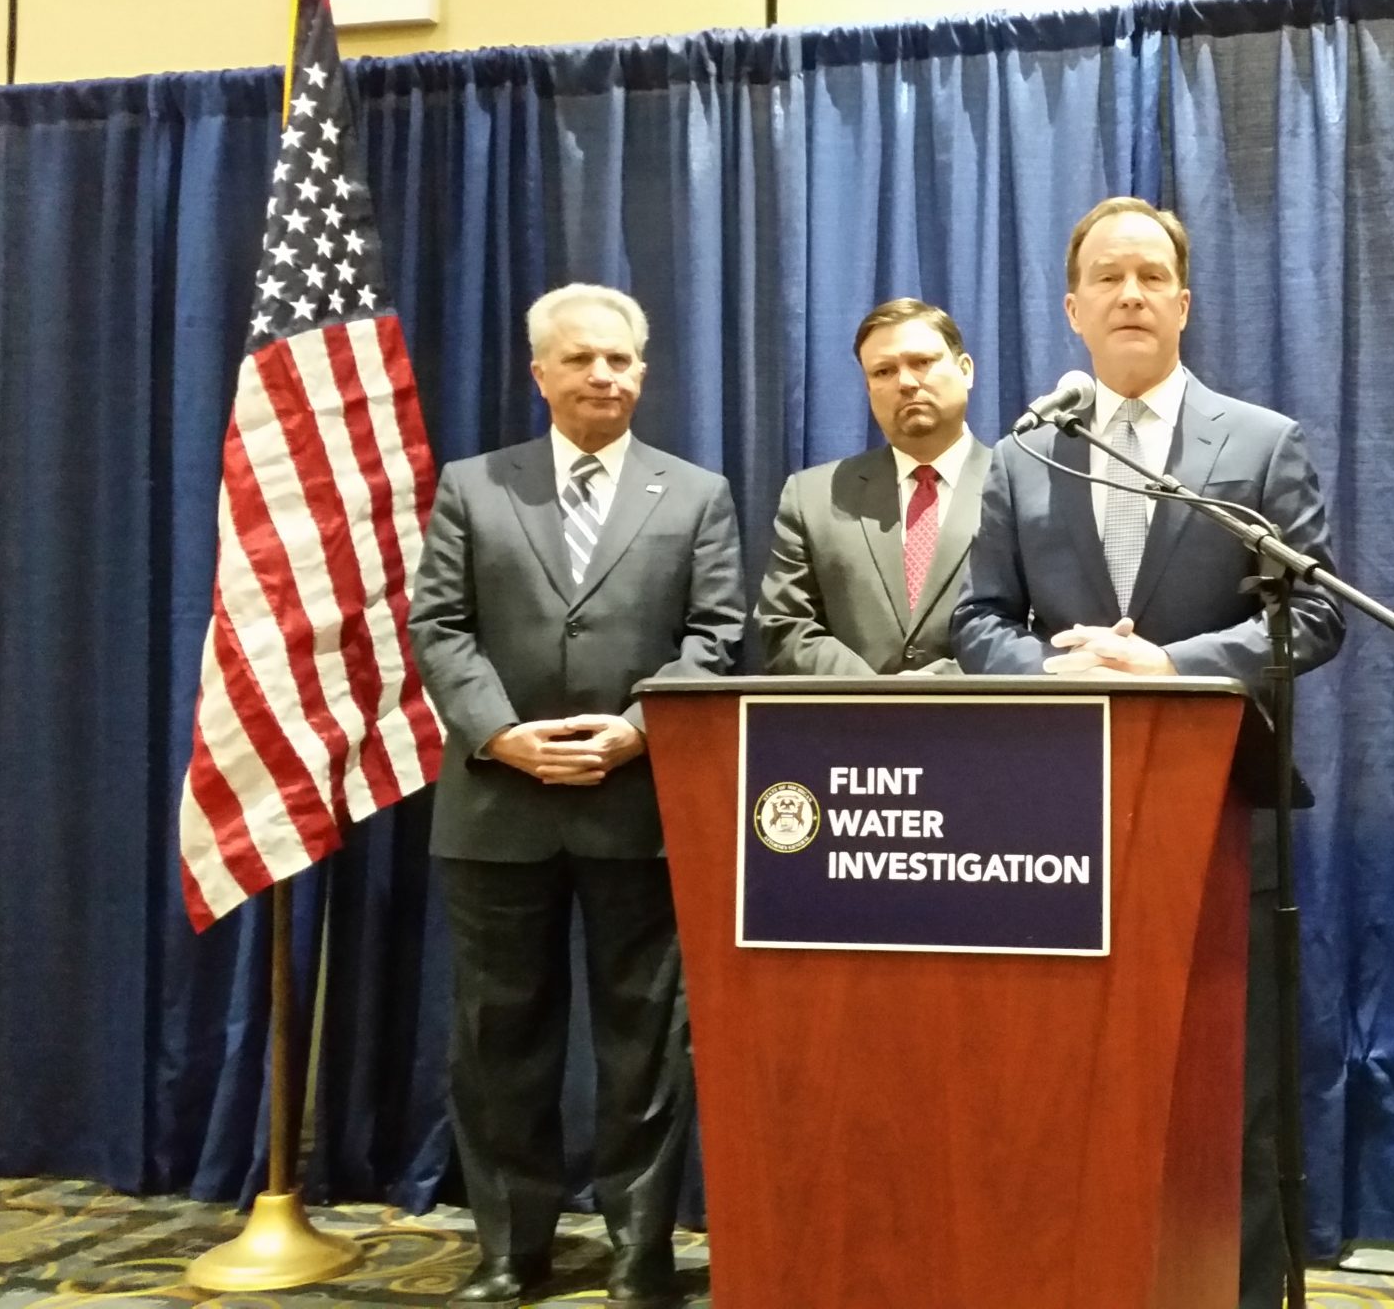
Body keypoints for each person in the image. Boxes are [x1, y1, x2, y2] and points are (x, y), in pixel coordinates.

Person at [951, 196, 1346, 1309]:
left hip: (1218, 815)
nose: (1130, 294)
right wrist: (1057, 671)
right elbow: (979, 621)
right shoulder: (1025, 453)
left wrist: (1167, 664)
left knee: (1230, 1089)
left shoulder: (1258, 443)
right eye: (1107, 279)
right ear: (1073, 309)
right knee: (1071, 1083)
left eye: (1150, 277)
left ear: (1184, 302)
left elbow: (1315, 616)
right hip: (1056, 823)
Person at [408, 283, 744, 1308]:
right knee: (498, 1040)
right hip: (498, 808)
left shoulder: (697, 494)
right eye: (581, 358)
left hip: (638, 805)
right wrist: (501, 734)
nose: (604, 375)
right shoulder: (474, 485)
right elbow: (439, 627)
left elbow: (718, 637)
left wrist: (637, 729)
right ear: (539, 373)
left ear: (643, 371)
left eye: (620, 359)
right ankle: (511, 1251)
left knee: (646, 1044)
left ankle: (640, 1252)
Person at [755, 298, 991, 675]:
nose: (906, 382)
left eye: (922, 362)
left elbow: (1039, 622)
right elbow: (786, 627)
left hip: (987, 711)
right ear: (868, 388)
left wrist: (945, 686)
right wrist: (877, 694)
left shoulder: (1021, 487)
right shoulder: (812, 498)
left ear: (965, 370)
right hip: (851, 710)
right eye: (884, 371)